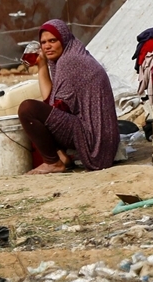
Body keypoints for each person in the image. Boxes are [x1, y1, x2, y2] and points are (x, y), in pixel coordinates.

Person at [18, 19, 120, 173]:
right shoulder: (74, 54)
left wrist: (42, 68)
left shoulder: (70, 61)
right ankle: (62, 158)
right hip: (101, 137)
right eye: (43, 42)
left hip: (93, 140)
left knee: (28, 109)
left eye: (53, 40)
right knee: (42, 112)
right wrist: (42, 65)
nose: (47, 46)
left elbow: (53, 106)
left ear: (64, 40)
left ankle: (53, 162)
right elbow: (55, 102)